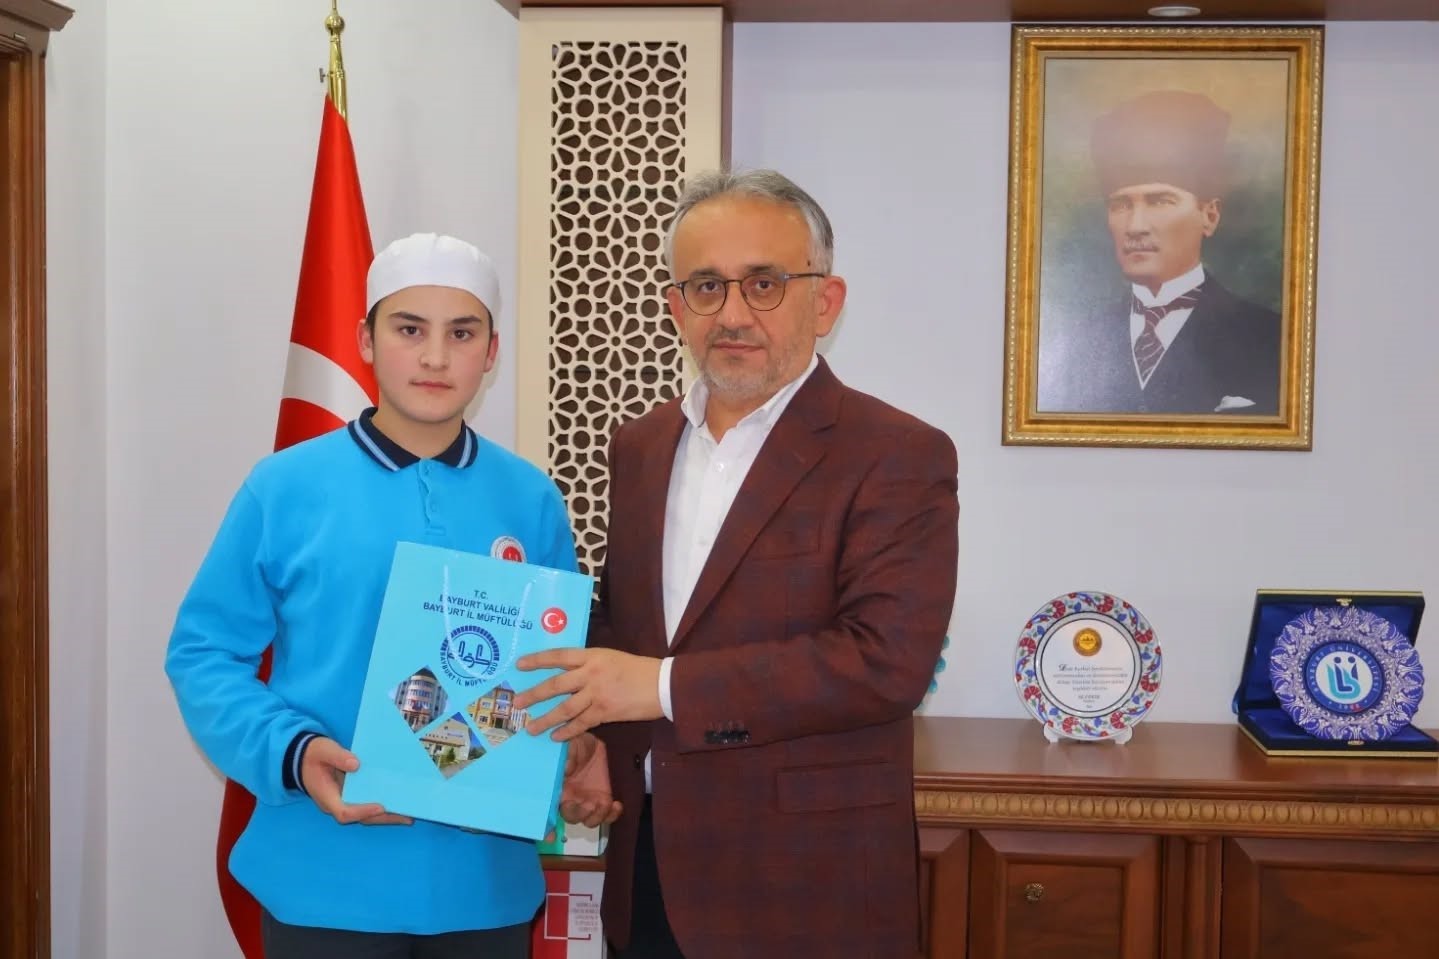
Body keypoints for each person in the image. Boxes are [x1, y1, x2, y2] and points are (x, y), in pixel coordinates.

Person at [514, 170, 960, 958]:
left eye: (763, 283)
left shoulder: (897, 453)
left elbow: (885, 662)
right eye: (706, 286)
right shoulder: (639, 446)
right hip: (649, 869)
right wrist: (591, 739)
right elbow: (626, 624)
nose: (731, 313)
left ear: (825, 302)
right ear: (674, 306)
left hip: (808, 887)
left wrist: (657, 687)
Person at [165, 233, 579, 958]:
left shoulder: (530, 498)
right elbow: (202, 655)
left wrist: (567, 751)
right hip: (323, 875)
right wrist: (293, 752)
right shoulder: (284, 487)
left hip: (482, 885)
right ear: (365, 339)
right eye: (409, 329)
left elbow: (555, 669)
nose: (435, 357)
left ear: (491, 352)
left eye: (461, 333)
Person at [1037, 89, 1283, 416]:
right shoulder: (1075, 341)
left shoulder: (1269, 338)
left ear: (1209, 216)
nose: (1135, 226)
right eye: (1120, 205)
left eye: (1159, 201)